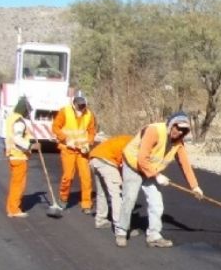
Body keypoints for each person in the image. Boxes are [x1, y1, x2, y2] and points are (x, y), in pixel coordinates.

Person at [115, 112, 204, 248]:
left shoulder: (178, 143)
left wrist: (194, 187)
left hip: (151, 170)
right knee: (130, 198)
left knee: (156, 202)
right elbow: (142, 158)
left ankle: (154, 236)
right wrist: (157, 176)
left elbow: (185, 164)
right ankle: (121, 231)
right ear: (171, 124)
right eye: (178, 128)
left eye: (184, 130)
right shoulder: (154, 130)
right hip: (133, 165)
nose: (179, 132)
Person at [52, 95, 96, 214]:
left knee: (86, 177)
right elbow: (55, 127)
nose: (81, 110)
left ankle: (86, 203)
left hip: (82, 150)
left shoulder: (89, 114)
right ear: (74, 105)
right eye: (79, 107)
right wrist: (65, 139)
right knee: (68, 176)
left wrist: (88, 144)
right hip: (68, 149)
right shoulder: (64, 112)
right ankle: (63, 198)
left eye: (83, 107)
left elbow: (92, 131)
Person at [89, 135, 132, 231]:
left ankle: (100, 219)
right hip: (107, 161)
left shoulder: (127, 139)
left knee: (102, 192)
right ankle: (121, 227)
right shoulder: (133, 145)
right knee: (117, 194)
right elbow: (126, 165)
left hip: (94, 159)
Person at [5, 97, 34, 218]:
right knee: (19, 185)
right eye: (28, 111)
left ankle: (11, 207)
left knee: (14, 184)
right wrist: (30, 145)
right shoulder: (19, 122)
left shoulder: (12, 118)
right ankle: (14, 209)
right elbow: (17, 139)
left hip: (12, 155)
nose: (29, 114)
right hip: (19, 156)